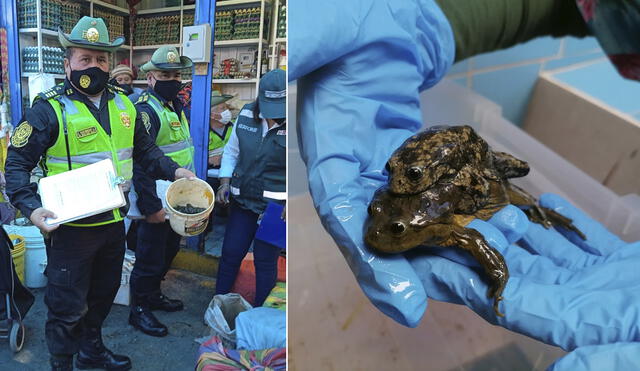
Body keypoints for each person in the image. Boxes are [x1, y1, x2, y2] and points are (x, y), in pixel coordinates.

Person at [290, 0, 640, 369]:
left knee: (515, 198)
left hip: (486, 189)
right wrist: (424, 26)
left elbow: (473, 239)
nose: (375, 228)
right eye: (380, 211)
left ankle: (537, 209)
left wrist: (499, 277)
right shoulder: (405, 200)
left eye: (393, 228)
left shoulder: (441, 228)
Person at [5, 17, 195, 371]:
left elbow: (146, 151)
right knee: (66, 305)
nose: (94, 66)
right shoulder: (49, 109)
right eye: (85, 59)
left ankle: (92, 350)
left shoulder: (125, 105)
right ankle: (62, 363)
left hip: (112, 222)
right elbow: (16, 164)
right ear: (67, 65)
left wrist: (175, 170)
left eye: (101, 59)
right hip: (69, 230)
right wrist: (31, 210)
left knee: (103, 295)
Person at [128, 46, 194, 338]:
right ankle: (139, 309)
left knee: (168, 251)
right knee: (149, 257)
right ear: (151, 78)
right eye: (165, 74)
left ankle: (153, 295)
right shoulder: (146, 109)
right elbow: (140, 163)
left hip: (176, 197)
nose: (172, 79)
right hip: (155, 199)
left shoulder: (172, 105)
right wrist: (150, 207)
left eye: (176, 74)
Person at [215, 69, 286, 306]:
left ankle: (260, 316)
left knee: (266, 262)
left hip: (277, 209)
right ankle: (219, 305)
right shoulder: (246, 114)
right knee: (230, 254)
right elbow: (232, 151)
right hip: (243, 201)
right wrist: (224, 182)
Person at [205, 91, 234, 211]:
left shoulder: (233, 128)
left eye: (226, 107)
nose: (227, 111)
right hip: (209, 178)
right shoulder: (203, 132)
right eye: (222, 108)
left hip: (229, 177)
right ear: (212, 114)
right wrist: (208, 161)